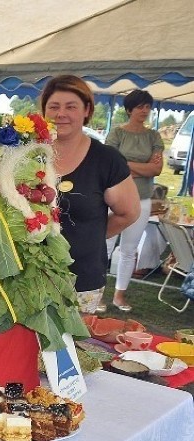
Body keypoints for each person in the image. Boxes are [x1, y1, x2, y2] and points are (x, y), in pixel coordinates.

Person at [39, 75, 139, 314]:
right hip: (27, 278)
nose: (61, 113)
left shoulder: (106, 159)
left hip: (81, 278)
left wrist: (90, 237)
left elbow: (128, 212)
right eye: (54, 106)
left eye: (71, 106)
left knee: (73, 349)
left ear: (86, 110)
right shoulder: (26, 155)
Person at [103, 89, 164, 312]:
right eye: (140, 106)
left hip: (142, 199)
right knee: (105, 246)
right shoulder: (117, 134)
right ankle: (97, 293)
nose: (144, 110)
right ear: (129, 109)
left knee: (129, 249)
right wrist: (142, 168)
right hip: (112, 197)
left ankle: (119, 295)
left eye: (147, 106)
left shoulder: (154, 136)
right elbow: (111, 165)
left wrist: (126, 165)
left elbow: (157, 168)